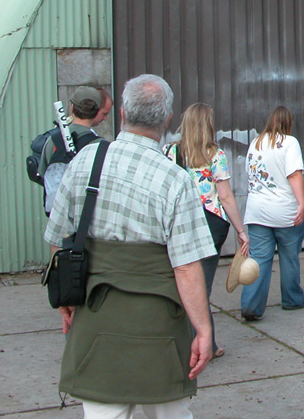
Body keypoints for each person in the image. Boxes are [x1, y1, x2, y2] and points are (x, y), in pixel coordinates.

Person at [45, 74, 215, 418]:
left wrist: (65, 300)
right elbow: (185, 267)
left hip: (96, 316)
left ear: (122, 113)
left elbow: (57, 239)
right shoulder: (175, 179)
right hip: (160, 325)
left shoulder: (86, 161)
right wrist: (203, 329)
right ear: (167, 120)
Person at [163, 103, 249, 358]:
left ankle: (178, 343)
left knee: (179, 282)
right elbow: (225, 197)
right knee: (203, 286)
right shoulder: (215, 155)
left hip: (179, 224)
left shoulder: (169, 152)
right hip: (210, 225)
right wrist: (241, 230)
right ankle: (205, 345)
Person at [240, 106, 304, 321]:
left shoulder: (255, 142)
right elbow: (294, 175)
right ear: (288, 122)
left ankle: (251, 305)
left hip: (257, 211)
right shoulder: (289, 142)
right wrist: (302, 203)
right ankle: (292, 299)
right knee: (289, 257)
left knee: (259, 259)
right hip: (283, 211)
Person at [37, 86, 111, 216]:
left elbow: (43, 174)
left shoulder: (53, 140)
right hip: (88, 217)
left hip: (57, 217)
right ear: (96, 112)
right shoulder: (102, 147)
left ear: (72, 107)